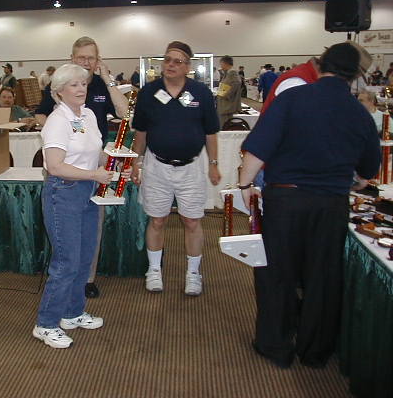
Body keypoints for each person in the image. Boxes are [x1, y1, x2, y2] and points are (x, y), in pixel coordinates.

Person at [238, 42, 380, 369]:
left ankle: (275, 344)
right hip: (331, 203)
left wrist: (245, 185)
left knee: (277, 273)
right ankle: (315, 350)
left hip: (286, 200)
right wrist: (353, 178)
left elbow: (258, 149)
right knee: (322, 277)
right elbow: (368, 169)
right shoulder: (359, 112)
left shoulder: (292, 99)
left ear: (321, 64)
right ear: (354, 75)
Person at [33, 63, 130, 349]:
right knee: (66, 262)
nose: (80, 89)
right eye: (73, 85)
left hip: (88, 191)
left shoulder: (86, 115)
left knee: (84, 258)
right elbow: (55, 166)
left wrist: (115, 166)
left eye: (83, 84)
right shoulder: (57, 121)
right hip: (63, 193)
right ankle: (46, 324)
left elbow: (96, 154)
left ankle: (72, 313)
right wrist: (93, 175)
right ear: (59, 91)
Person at [131, 41, 221, 296]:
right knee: (157, 219)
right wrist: (136, 162)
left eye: (177, 61)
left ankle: (193, 273)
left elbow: (211, 133)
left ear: (188, 66)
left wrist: (213, 164)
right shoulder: (149, 92)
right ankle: (154, 270)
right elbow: (141, 132)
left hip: (191, 168)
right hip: (156, 166)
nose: (170, 65)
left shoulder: (201, 93)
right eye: (167, 60)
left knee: (192, 220)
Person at [216, 55, 242, 128]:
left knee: (225, 126)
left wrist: (224, 94)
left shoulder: (232, 73)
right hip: (224, 105)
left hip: (227, 106)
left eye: (221, 64)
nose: (221, 66)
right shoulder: (227, 74)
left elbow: (234, 86)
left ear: (225, 63)